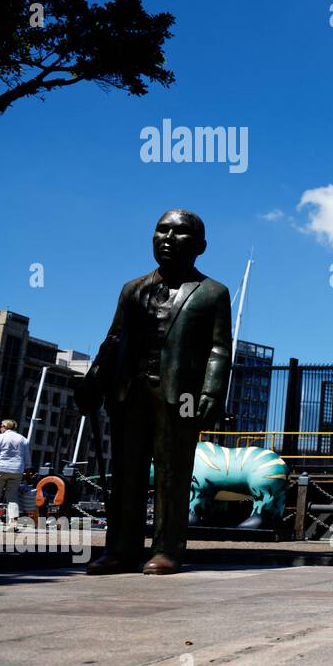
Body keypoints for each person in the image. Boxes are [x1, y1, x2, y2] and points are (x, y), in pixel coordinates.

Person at [76, 209, 232, 575]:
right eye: (162, 230)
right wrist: (95, 380)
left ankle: (167, 549)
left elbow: (219, 348)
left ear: (200, 246)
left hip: (182, 395)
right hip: (129, 392)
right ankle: (120, 549)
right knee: (127, 473)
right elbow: (114, 340)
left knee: (173, 473)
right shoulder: (132, 290)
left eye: (179, 233)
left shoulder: (213, 293)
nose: (167, 238)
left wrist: (211, 393)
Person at [0, 419, 32, 530]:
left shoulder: (0, 437)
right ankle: (13, 524)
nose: (0, 428)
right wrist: (27, 472)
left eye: (1, 426)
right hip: (17, 471)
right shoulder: (23, 439)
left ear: (5, 426)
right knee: (12, 497)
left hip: (0, 469)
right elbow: (27, 459)